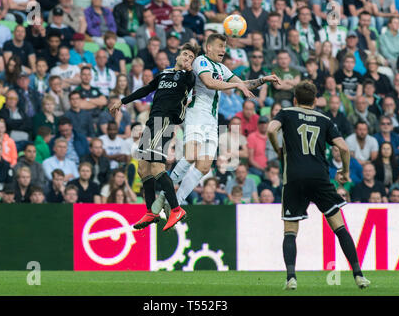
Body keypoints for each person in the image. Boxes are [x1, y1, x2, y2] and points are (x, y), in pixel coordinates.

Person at [149, 33, 280, 218]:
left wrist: (262, 80)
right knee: (191, 155)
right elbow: (209, 83)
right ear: (209, 47)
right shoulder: (201, 61)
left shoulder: (223, 68)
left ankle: (175, 202)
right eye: (220, 46)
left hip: (212, 121)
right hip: (196, 115)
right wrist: (236, 86)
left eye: (225, 47)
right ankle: (163, 196)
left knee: (203, 167)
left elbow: (244, 85)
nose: (223, 50)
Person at [267, 80, 370, 290]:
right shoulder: (324, 118)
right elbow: (343, 147)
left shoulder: (286, 112)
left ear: (295, 99)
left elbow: (270, 129)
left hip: (294, 177)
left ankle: (291, 278)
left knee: (290, 230)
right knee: (339, 227)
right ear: (315, 101)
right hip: (319, 177)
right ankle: (359, 275)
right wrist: (345, 172)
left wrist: (278, 149)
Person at [110, 42, 200, 230]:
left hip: (165, 122)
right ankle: (151, 212)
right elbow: (146, 89)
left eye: (191, 57)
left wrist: (190, 70)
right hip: (152, 121)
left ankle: (176, 209)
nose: (187, 58)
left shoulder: (188, 77)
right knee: (143, 168)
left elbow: (192, 83)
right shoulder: (164, 73)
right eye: (185, 54)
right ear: (177, 55)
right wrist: (122, 101)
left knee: (157, 166)